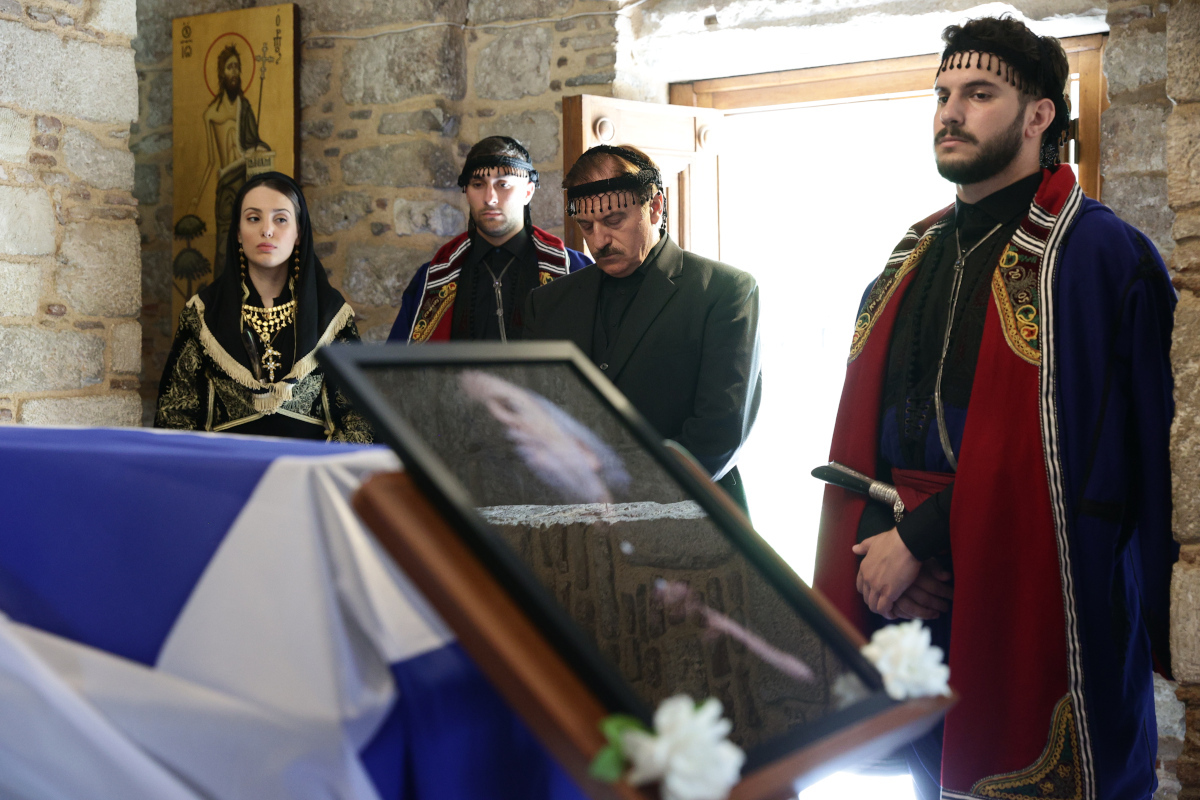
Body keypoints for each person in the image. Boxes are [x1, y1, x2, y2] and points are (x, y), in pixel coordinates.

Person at [813, 16, 1176, 800]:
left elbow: (1099, 459)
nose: (951, 113)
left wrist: (920, 538)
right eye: (943, 94)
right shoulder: (911, 253)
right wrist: (881, 545)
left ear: (1039, 115)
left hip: (1034, 587)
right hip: (913, 598)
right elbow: (872, 431)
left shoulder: (1101, 256)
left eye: (979, 94)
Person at [523, 144, 761, 509]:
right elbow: (535, 423)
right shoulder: (546, 304)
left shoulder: (725, 291)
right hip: (571, 520)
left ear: (655, 208)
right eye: (586, 226)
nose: (598, 240)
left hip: (691, 517)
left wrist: (620, 496)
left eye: (613, 220)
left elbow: (719, 433)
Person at [156, 171, 373, 443]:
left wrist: (320, 466)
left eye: (280, 219)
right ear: (238, 232)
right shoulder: (203, 314)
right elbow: (175, 415)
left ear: (298, 233)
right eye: (253, 218)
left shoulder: (331, 314)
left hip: (310, 466)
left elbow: (359, 417)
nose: (267, 230)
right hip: (226, 467)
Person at [387, 136, 591, 343]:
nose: (490, 198)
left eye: (503, 184)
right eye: (478, 184)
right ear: (467, 193)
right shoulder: (431, 280)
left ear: (528, 192)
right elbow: (401, 360)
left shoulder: (575, 271)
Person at [191, 44, 271, 280]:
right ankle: (223, 297)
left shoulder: (244, 107)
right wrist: (196, 197)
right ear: (221, 73)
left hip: (247, 184)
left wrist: (258, 149)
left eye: (237, 67)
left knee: (251, 247)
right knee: (225, 247)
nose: (234, 72)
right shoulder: (211, 114)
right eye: (229, 67)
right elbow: (211, 162)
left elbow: (253, 142)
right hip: (226, 185)